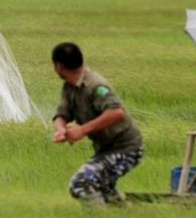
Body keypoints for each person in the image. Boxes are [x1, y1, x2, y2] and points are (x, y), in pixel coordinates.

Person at [51, 42, 144, 204]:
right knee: (104, 189)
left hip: (127, 148)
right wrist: (61, 130)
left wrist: (82, 130)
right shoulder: (69, 87)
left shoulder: (95, 85)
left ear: (58, 66)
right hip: (105, 150)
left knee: (80, 183)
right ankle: (120, 217)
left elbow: (116, 112)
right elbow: (62, 114)